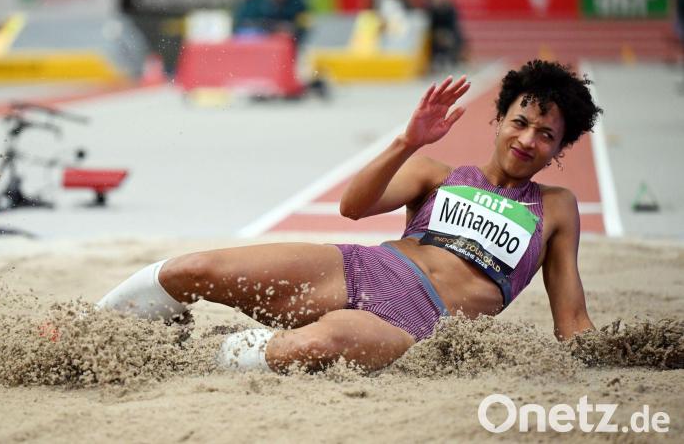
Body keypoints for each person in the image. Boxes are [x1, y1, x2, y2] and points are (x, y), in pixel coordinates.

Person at [96, 59, 602, 373]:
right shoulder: (436, 172)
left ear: (560, 148)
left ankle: (186, 362)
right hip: (359, 268)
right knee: (195, 269)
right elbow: (353, 207)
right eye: (521, 122)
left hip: (422, 318)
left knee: (313, 345)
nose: (527, 140)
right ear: (501, 118)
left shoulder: (555, 208)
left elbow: (572, 322)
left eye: (546, 135)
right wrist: (407, 142)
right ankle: (87, 334)